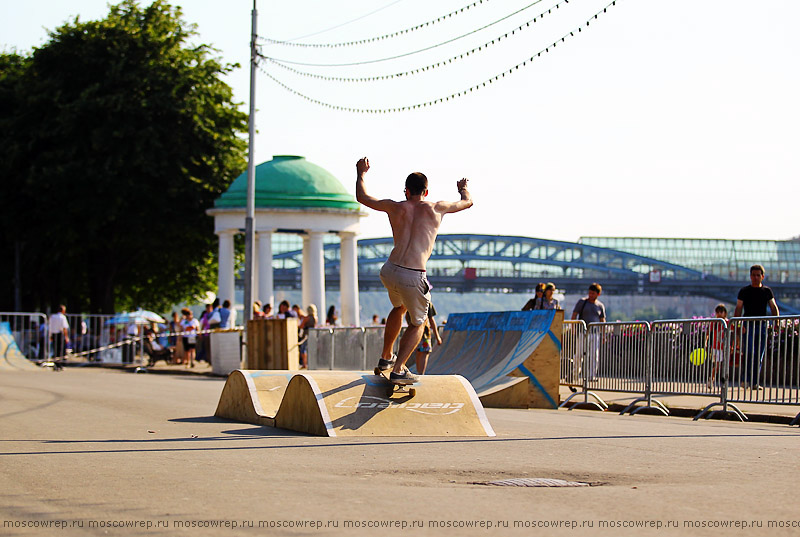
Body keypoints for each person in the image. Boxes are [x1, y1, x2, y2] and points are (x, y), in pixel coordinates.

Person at [355, 156, 473, 385]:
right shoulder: (437, 207)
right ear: (426, 192)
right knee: (418, 324)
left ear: (406, 191)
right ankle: (398, 369)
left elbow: (362, 197)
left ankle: (386, 357)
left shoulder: (394, 206)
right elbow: (467, 202)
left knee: (398, 308)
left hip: (389, 270)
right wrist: (464, 189)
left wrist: (361, 173)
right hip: (413, 274)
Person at [733, 264, 779, 389]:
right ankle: (744, 380)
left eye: (758, 275)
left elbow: (773, 306)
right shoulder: (744, 291)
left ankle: (754, 382)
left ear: (762, 277)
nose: (755, 277)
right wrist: (737, 325)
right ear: (750, 276)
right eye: (753, 275)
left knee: (759, 355)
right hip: (748, 325)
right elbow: (738, 308)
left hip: (762, 325)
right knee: (749, 353)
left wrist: (777, 322)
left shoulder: (767, 291)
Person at [571, 283, 606, 381]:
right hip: (582, 332)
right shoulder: (582, 302)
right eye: (590, 293)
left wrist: (603, 335)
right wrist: (573, 328)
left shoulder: (600, 306)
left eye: (593, 293)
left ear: (598, 294)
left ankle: (592, 375)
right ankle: (575, 374)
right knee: (579, 354)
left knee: (594, 355)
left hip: (594, 333)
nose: (591, 295)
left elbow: (602, 320)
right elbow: (574, 315)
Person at [405, 301, 442, 374]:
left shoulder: (411, 300)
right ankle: (421, 373)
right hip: (424, 332)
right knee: (424, 352)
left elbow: (407, 316)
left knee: (419, 353)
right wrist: (437, 336)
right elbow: (431, 320)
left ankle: (419, 372)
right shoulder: (427, 302)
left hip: (413, 333)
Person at [707, 304, 728, 389]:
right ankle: (711, 379)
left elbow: (734, 333)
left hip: (726, 347)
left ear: (725, 313)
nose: (719, 314)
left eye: (721, 312)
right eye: (717, 312)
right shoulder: (715, 323)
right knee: (717, 365)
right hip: (716, 347)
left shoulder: (728, 322)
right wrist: (706, 341)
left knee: (725, 366)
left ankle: (724, 382)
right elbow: (709, 332)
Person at [298, 304, 318, 369]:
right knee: (311, 349)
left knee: (303, 349)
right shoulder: (315, 318)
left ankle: (304, 363)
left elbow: (301, 326)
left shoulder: (307, 318)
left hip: (306, 334)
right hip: (313, 334)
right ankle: (312, 363)